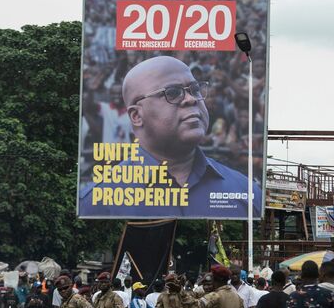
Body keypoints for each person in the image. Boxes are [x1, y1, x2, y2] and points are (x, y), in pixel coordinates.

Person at [78, 56, 262, 218]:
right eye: (172, 93)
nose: (191, 99)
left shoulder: (245, 192)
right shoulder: (97, 201)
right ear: (137, 116)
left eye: (195, 89)